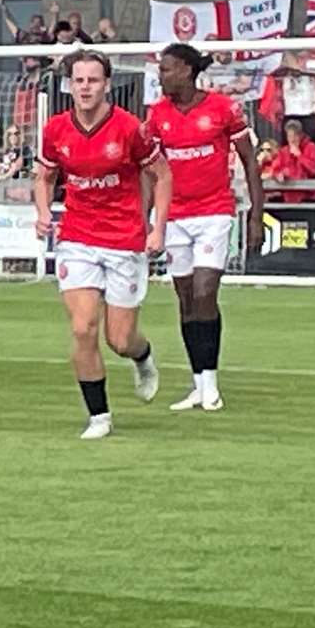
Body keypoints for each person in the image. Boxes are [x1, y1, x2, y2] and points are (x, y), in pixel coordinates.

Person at [32, 50, 171, 440]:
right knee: (82, 328)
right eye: (79, 80)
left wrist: (157, 228)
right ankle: (99, 416)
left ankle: (142, 356)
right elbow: (44, 177)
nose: (86, 87)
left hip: (125, 238)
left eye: (93, 80)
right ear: (70, 85)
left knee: (120, 338)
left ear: (107, 84)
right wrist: (43, 212)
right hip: (77, 236)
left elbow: (162, 175)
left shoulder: (131, 129)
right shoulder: (56, 129)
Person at [147, 44, 265, 413]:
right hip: (174, 217)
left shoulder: (222, 109)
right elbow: (149, 171)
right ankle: (198, 383)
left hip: (214, 212)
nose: (160, 76)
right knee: (184, 299)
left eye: (166, 70)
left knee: (204, 293)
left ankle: (211, 383)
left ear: (185, 70)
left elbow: (249, 160)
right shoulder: (157, 116)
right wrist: (144, 219)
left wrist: (256, 213)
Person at [264, 120, 315, 203]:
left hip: (308, 196)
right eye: (289, 136)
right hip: (288, 195)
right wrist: (278, 174)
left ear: (301, 135)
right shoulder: (284, 151)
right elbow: (275, 168)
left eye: (295, 136)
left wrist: (300, 156)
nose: (292, 140)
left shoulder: (311, 148)